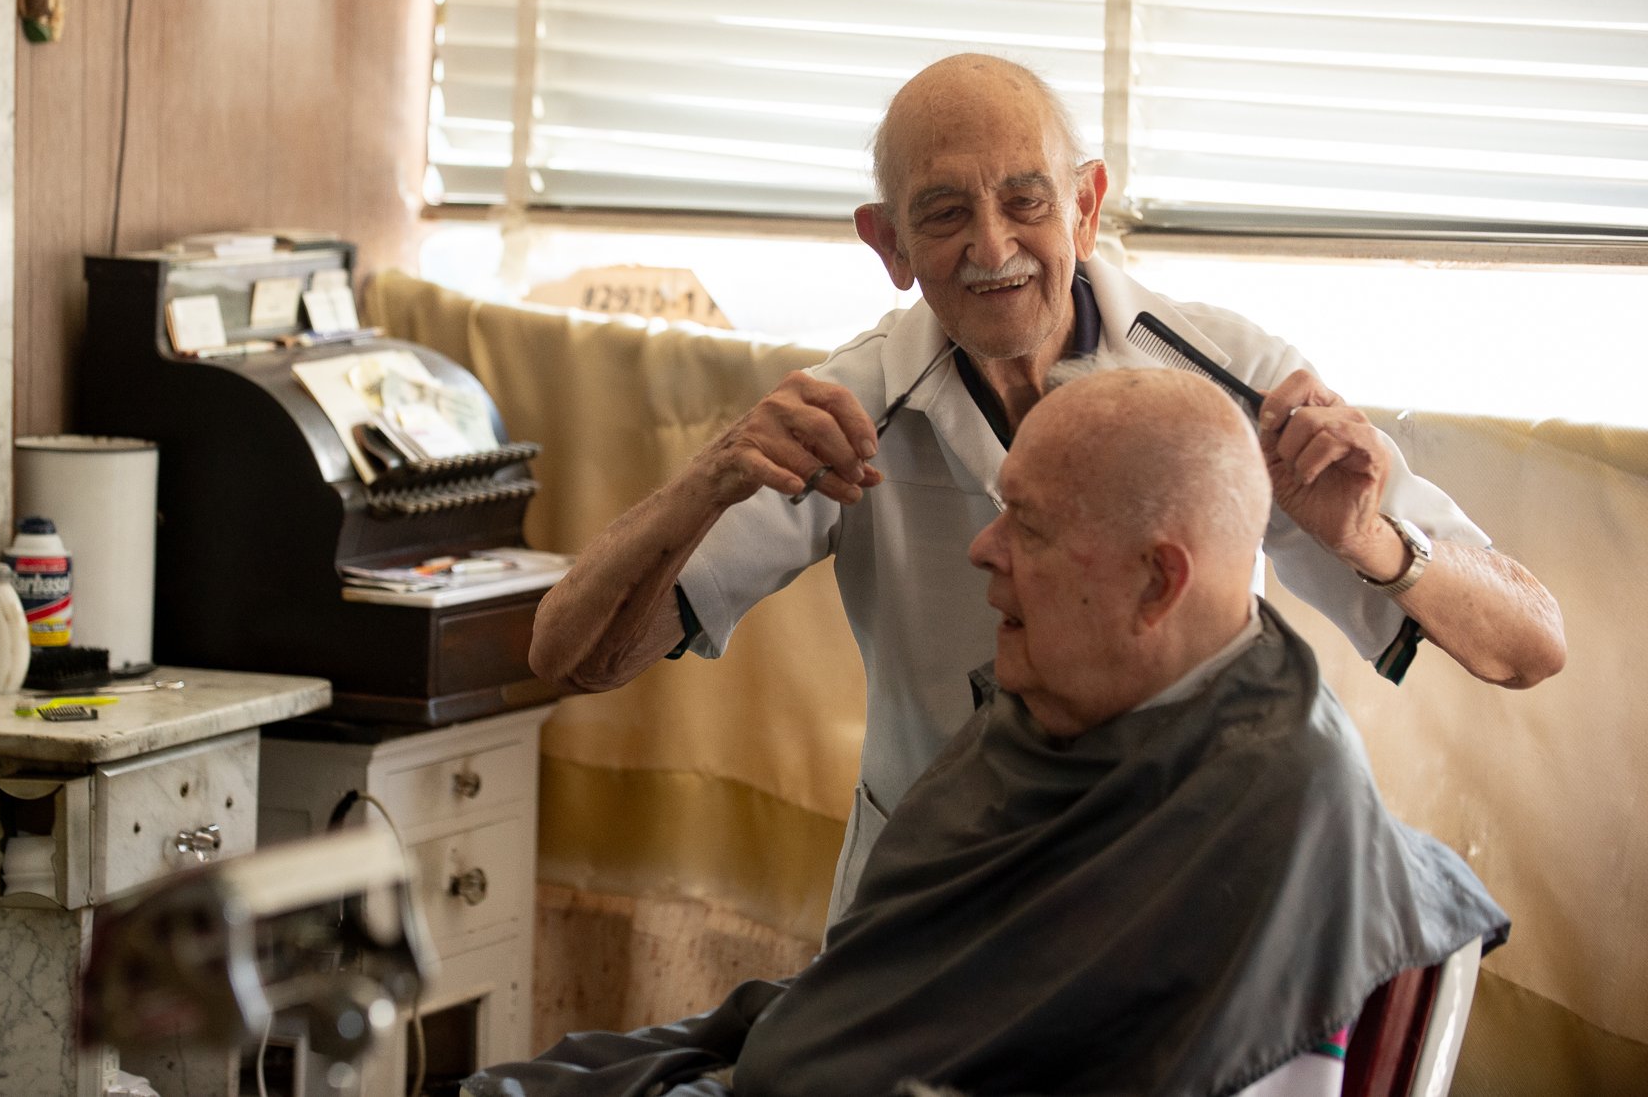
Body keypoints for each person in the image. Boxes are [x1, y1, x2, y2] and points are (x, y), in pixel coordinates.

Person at [529, 53, 1565, 921]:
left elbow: (1525, 647)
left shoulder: (1224, 377)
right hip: (930, 913)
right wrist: (708, 479)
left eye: (1025, 199)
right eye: (941, 213)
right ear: (886, 243)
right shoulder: (846, 415)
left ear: (1084, 202)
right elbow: (569, 657)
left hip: (1173, 904)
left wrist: (1373, 540)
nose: (992, 246)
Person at [470, 370, 1510, 1097]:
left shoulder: (1266, 816)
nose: (980, 550)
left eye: (1029, 526)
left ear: (1158, 580)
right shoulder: (1045, 706)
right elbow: (881, 994)